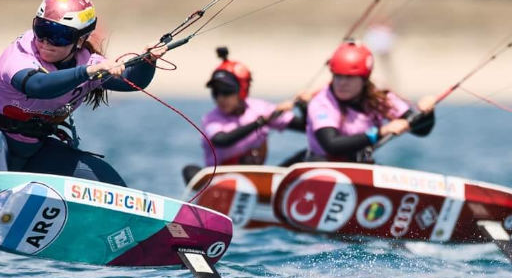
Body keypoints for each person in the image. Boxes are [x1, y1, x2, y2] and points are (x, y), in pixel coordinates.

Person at [0, 0, 166, 187]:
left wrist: (149, 62)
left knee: (108, 181)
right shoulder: (19, 55)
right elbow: (37, 85)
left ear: (80, 40)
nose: (46, 42)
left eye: (59, 36)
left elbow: (133, 81)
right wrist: (86, 73)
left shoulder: (88, 62)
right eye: (42, 29)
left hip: (30, 155)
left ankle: (123, 228)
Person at [181, 47, 308, 183]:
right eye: (215, 92)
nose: (220, 98)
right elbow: (222, 140)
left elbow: (306, 128)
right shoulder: (211, 119)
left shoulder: (260, 108)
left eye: (226, 92)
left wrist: (303, 106)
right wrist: (261, 122)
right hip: (220, 183)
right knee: (189, 170)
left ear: (242, 90)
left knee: (308, 154)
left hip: (257, 182)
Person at [305, 41, 436, 162]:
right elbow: (332, 145)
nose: (342, 83)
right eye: (338, 76)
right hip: (321, 165)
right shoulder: (322, 102)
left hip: (359, 165)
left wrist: (427, 112)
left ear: (364, 79)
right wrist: (379, 133)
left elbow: (421, 130)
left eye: (349, 77)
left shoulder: (379, 98)